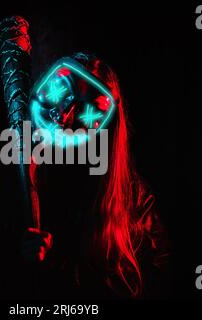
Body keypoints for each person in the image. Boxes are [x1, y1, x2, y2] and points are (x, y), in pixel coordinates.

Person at [20, 52, 170, 299]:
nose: (64, 114)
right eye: (60, 90)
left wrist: (53, 264)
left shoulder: (132, 198)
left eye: (86, 110)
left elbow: (156, 278)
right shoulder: (12, 182)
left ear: (107, 127)